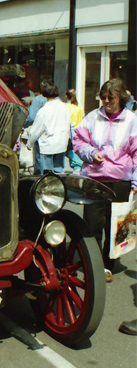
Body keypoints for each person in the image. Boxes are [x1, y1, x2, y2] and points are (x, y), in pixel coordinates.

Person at [73, 79, 137, 282]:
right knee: (92, 223)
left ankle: (107, 265)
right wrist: (91, 153)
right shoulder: (93, 117)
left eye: (111, 98)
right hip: (95, 179)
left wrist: (135, 182)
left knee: (115, 226)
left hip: (120, 181)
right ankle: (94, 262)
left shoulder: (132, 120)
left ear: (121, 98)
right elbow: (77, 140)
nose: (106, 101)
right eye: (103, 97)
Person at [26, 80, 71, 173]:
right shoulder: (65, 107)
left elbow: (36, 130)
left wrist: (29, 143)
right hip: (61, 143)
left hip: (47, 145)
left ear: (44, 94)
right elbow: (68, 125)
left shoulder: (44, 110)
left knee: (47, 175)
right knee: (59, 172)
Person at [23, 77, 50, 174]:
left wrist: (23, 126)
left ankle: (41, 183)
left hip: (42, 135)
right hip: (57, 137)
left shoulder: (38, 100)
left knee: (40, 164)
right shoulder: (59, 101)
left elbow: (31, 117)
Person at [65, 89, 84, 174]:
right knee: (75, 156)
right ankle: (77, 171)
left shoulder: (65, 107)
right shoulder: (79, 107)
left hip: (68, 133)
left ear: (66, 96)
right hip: (78, 133)